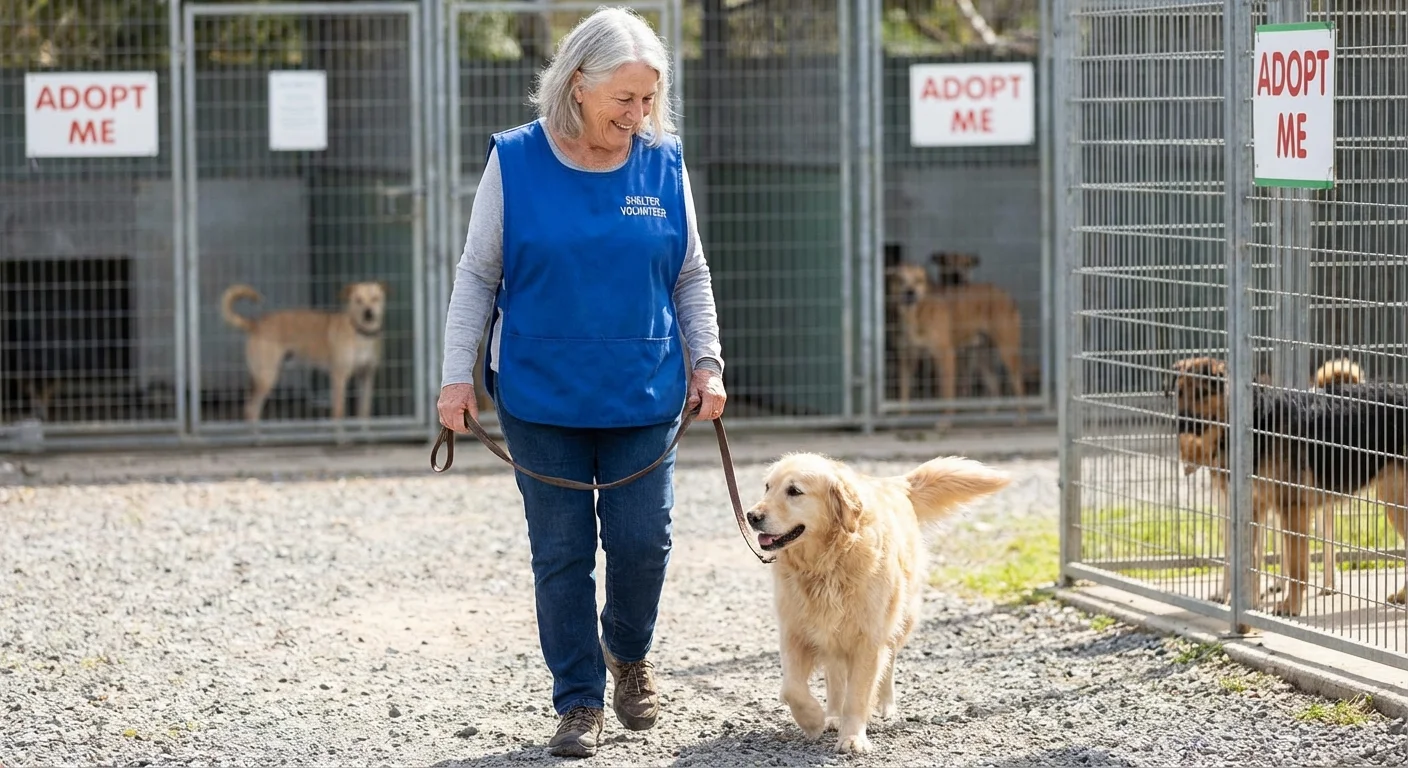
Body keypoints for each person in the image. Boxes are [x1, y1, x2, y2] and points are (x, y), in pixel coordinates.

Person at [435, 6, 727, 759]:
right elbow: (477, 275)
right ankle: (578, 702)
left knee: (644, 541)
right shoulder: (516, 160)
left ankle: (628, 654)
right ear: (575, 85)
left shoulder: (663, 163)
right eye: (623, 99)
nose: (639, 115)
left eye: (649, 99)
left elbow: (689, 272)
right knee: (560, 553)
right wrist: (454, 380)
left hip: (642, 387)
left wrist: (708, 362)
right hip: (540, 393)